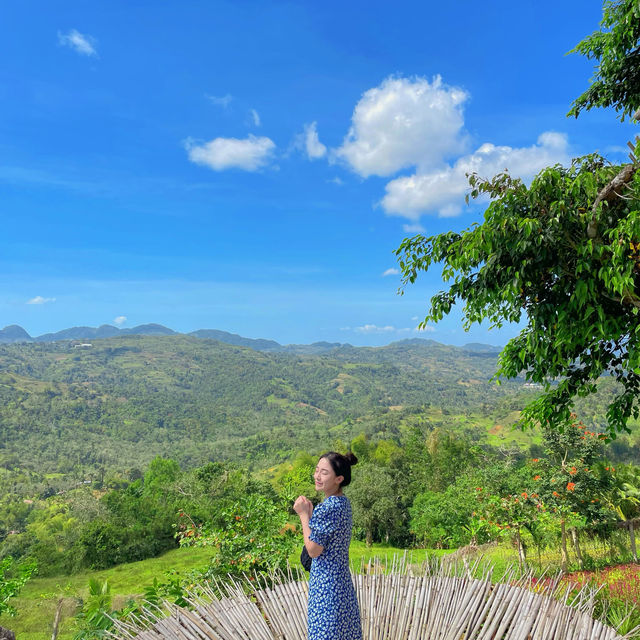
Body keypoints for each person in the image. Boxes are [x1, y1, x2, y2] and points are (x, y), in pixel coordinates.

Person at [293, 451, 362, 640]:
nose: (317, 476)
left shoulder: (328, 507)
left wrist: (303, 516)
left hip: (326, 587)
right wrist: (312, 516)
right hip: (341, 584)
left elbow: (314, 550)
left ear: (338, 478)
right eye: (317, 470)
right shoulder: (342, 503)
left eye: (324, 472)